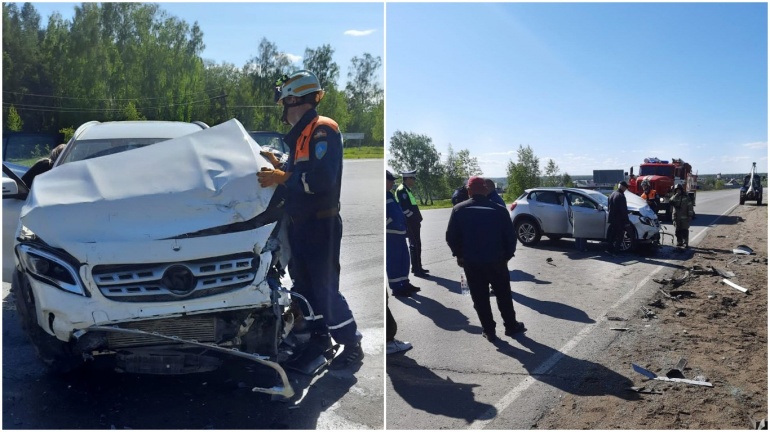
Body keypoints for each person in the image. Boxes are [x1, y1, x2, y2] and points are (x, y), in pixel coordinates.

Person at [257, 69, 362, 370]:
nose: (283, 112)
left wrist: (283, 176)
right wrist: (280, 164)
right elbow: (300, 168)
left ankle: (351, 343)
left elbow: (321, 180)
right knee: (304, 285)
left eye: (285, 104)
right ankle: (319, 336)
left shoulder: (321, 130)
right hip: (301, 223)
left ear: (296, 100)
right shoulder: (303, 134)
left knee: (325, 286)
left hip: (321, 223)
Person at [446, 176, 524, 342]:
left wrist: (459, 255)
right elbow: (511, 237)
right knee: (503, 295)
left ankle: (489, 330)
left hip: (472, 263)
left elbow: (451, 237)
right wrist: (507, 257)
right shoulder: (499, 210)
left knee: (480, 298)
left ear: (469, 191)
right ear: (486, 190)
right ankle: (511, 326)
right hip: (497, 262)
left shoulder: (459, 209)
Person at [386, 170, 420, 297]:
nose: (392, 183)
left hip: (400, 231)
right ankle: (396, 287)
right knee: (394, 260)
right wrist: (390, 222)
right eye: (390, 181)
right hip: (391, 232)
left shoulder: (389, 194)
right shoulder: (384, 195)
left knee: (404, 259)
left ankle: (404, 283)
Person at [396, 170, 429, 277]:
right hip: (410, 223)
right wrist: (413, 218)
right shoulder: (402, 190)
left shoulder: (406, 190)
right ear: (408, 178)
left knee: (416, 244)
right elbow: (404, 209)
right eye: (413, 178)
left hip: (413, 222)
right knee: (415, 245)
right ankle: (417, 269)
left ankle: (417, 267)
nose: (414, 180)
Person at [607, 181, 631, 253]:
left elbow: (609, 208)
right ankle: (616, 251)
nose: (625, 190)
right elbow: (623, 210)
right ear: (622, 187)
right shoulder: (621, 196)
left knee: (612, 236)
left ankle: (609, 250)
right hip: (619, 220)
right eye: (625, 188)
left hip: (612, 219)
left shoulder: (612, 194)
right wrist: (626, 222)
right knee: (620, 236)